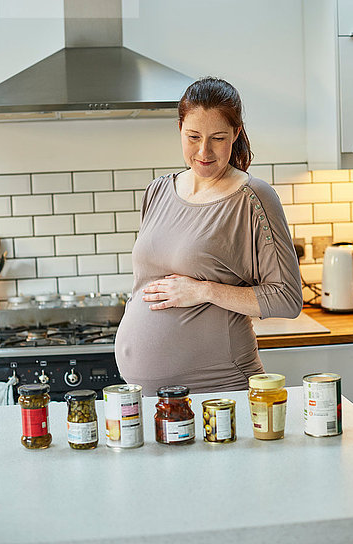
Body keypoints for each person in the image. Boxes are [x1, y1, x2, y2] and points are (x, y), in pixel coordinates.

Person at [115, 76, 302, 396]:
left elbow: (286, 298)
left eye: (218, 138)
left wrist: (203, 291)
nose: (204, 151)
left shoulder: (253, 198)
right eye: (193, 136)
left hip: (218, 389)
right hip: (146, 395)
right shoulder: (157, 191)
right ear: (179, 129)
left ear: (236, 134)